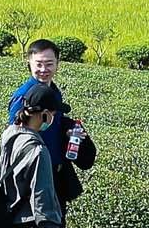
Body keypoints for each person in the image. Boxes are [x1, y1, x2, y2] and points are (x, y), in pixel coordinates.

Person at [9, 39, 95, 206]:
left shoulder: (53, 91)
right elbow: (15, 135)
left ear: (57, 64)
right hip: (34, 177)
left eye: (49, 64)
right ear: (29, 63)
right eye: (39, 64)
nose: (43, 70)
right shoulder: (24, 96)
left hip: (55, 171)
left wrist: (67, 132)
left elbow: (54, 124)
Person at [0, 82, 65, 228]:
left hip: (10, 219)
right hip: (31, 227)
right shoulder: (38, 150)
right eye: (53, 114)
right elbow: (42, 195)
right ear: (45, 115)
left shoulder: (10, 134)